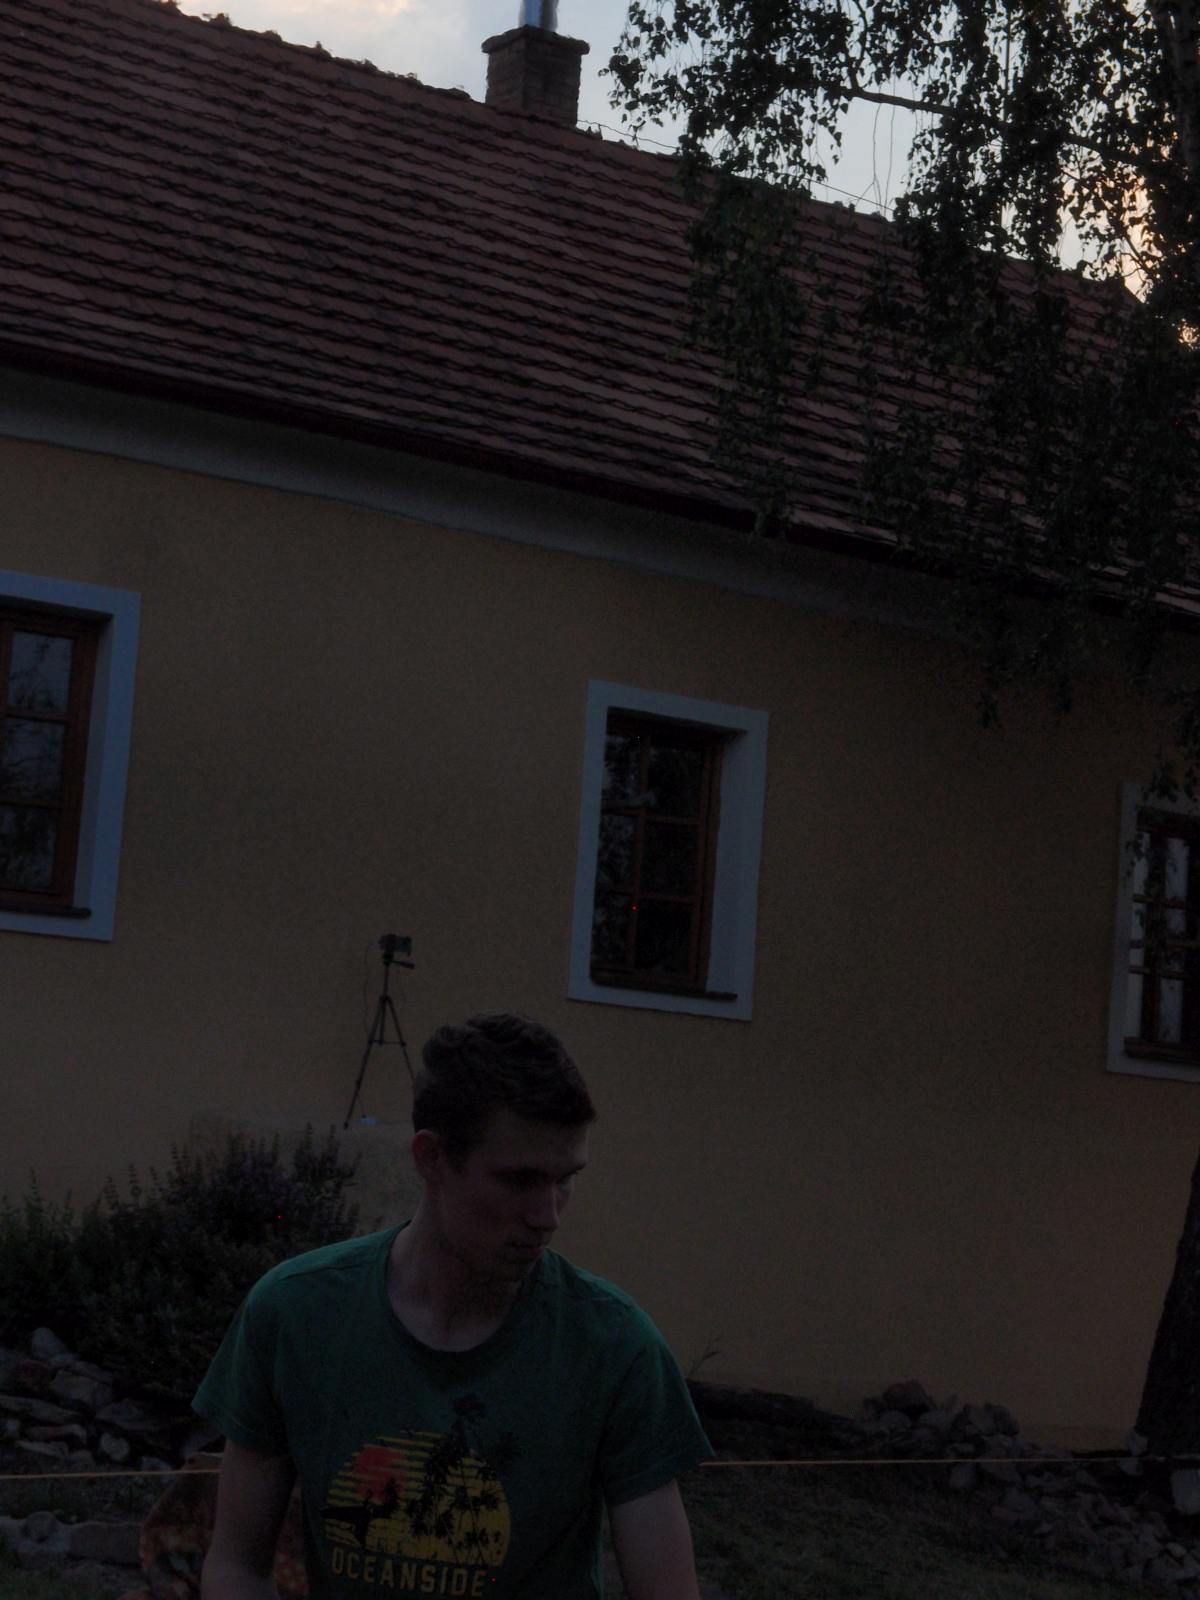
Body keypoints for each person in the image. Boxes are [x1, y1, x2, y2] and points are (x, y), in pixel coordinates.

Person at [194, 1012, 712, 1599]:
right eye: (518, 1180)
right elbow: (236, 1565)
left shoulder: (614, 1347)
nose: (548, 1215)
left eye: (565, 1179)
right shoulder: (295, 1314)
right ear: (431, 1159)